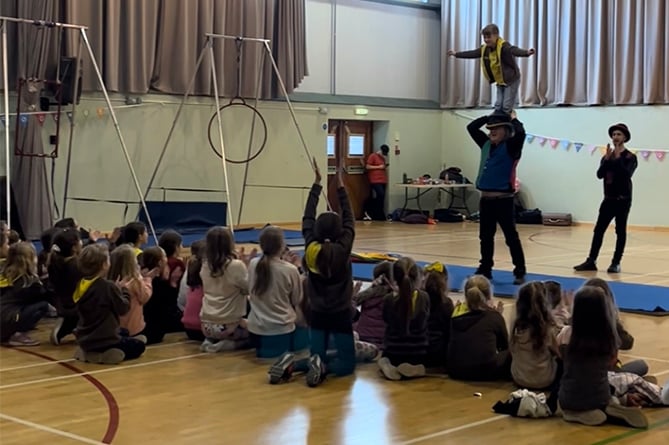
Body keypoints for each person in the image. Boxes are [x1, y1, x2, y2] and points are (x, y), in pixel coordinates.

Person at [467, 110, 527, 284]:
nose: (491, 131)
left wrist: (512, 119)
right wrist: (490, 117)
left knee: (511, 237)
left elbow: (521, 133)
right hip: (486, 200)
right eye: (490, 128)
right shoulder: (486, 145)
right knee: (485, 237)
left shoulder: (510, 146)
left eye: (496, 128)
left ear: (506, 130)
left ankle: (520, 271)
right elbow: (471, 127)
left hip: (504, 200)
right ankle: (485, 268)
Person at [574, 124, 638, 274]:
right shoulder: (606, 156)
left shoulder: (630, 157)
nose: (616, 137)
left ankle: (616, 262)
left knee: (620, 231)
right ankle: (591, 260)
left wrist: (617, 159)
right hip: (608, 199)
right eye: (614, 134)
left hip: (623, 200)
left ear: (625, 138)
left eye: (619, 135)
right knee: (599, 230)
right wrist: (608, 160)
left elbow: (626, 175)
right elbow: (599, 175)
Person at [447, 23, 535, 114]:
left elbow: (513, 50)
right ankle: (497, 123)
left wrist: (526, 52)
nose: (486, 40)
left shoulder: (504, 46)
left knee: (506, 106)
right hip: (500, 80)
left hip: (511, 79)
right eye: (484, 38)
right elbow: (473, 53)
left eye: (489, 37)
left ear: (496, 35)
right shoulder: (485, 49)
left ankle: (507, 124)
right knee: (498, 105)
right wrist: (456, 54)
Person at [362, 144, 389, 221]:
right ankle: (372, 211)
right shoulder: (373, 156)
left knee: (381, 197)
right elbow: (368, 166)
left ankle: (379, 214)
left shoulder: (382, 158)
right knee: (380, 194)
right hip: (375, 180)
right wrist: (379, 167)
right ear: (380, 150)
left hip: (383, 180)